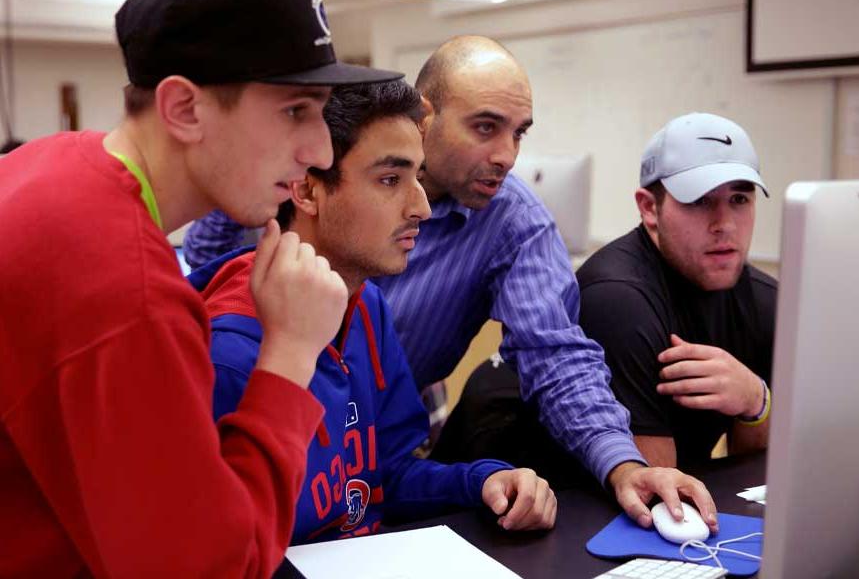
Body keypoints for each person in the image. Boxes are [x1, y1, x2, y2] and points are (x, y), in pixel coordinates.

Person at [183, 35, 719, 532]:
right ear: (427, 115)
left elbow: (553, 356)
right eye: (486, 127)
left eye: (519, 133)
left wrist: (608, 464)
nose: (508, 155)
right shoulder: (233, 349)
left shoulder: (374, 301)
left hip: (371, 427)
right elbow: (224, 542)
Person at [0, 0, 404, 576]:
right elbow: (214, 568)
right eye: (295, 110)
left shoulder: (56, 162)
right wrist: (291, 350)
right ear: (184, 109)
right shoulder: (127, 295)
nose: (319, 150)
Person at [191, 80, 557, 544]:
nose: (421, 207)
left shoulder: (365, 303)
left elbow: (383, 476)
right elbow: (214, 550)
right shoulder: (228, 354)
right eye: (390, 180)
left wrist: (482, 482)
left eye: (418, 178)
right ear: (306, 190)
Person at [576, 112, 777, 468]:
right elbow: (655, 490)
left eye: (739, 199)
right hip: (498, 497)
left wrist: (755, 402)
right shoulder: (617, 299)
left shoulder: (766, 302)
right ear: (650, 208)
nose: (725, 225)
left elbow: (757, 478)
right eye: (700, 201)